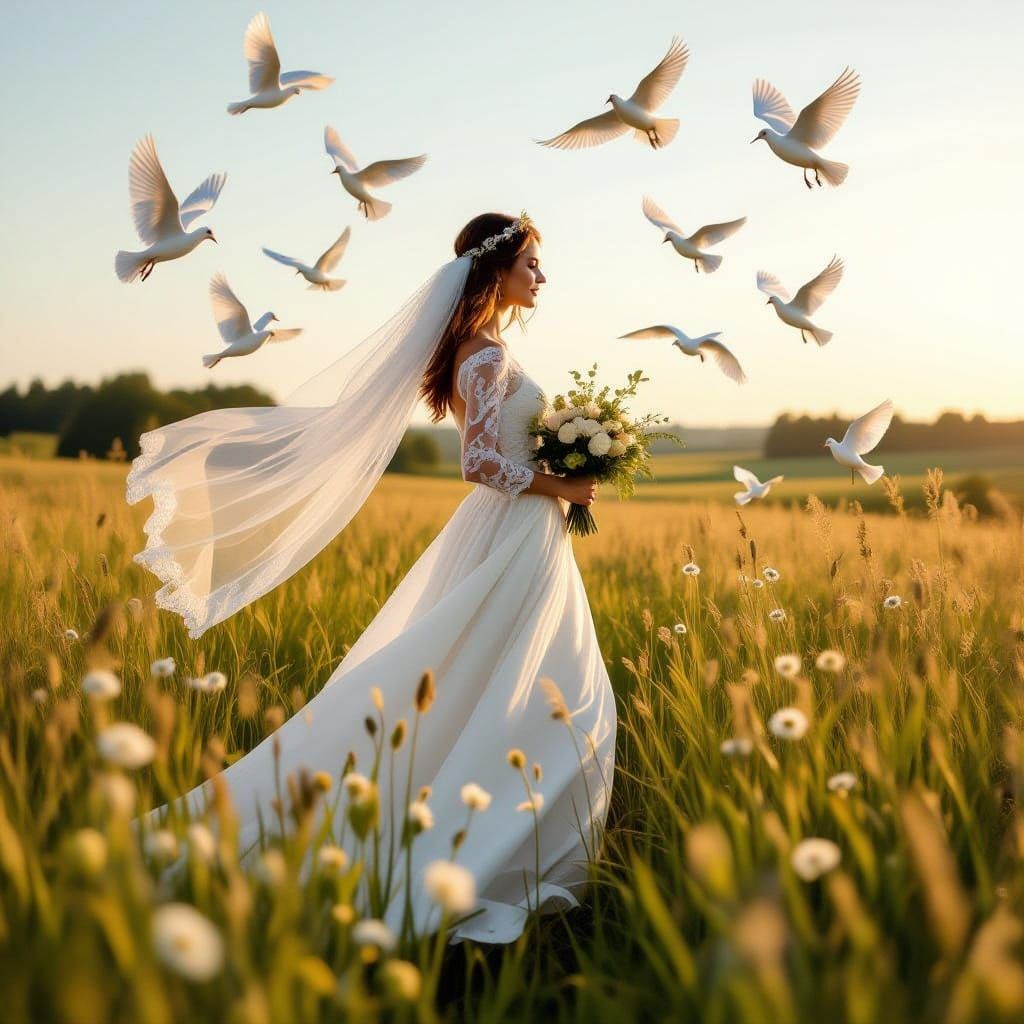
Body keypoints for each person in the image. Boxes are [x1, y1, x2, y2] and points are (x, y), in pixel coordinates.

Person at [127, 211, 617, 943]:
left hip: (526, 537)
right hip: (512, 533)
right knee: (545, 691)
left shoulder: (491, 350)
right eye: (532, 265)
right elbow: (478, 463)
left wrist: (560, 473)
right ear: (497, 271)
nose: (540, 277)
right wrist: (563, 487)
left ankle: (514, 849)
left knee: (518, 686)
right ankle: (484, 857)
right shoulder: (485, 357)